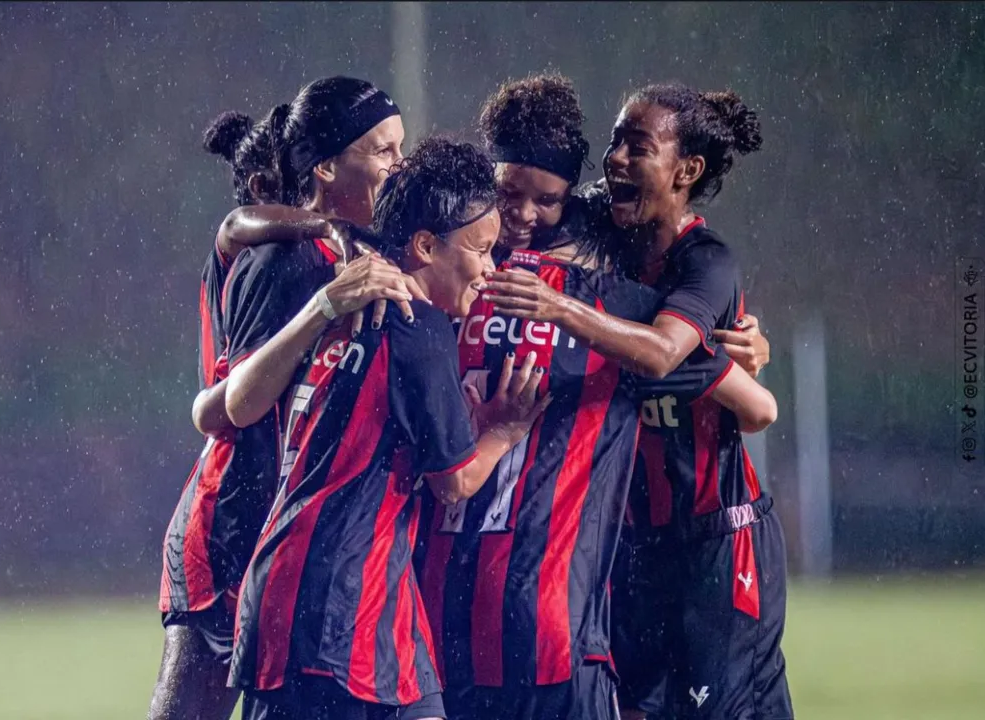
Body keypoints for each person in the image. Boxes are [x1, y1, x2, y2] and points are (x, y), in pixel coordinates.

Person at [417, 76, 777, 720]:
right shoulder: (581, 230)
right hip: (625, 543)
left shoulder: (691, 268)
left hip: (711, 537)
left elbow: (750, 404)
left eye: (637, 147)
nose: (524, 214)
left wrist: (745, 351)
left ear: (685, 170)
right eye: (615, 143)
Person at [228, 137, 547, 720]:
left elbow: (259, 407)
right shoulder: (417, 325)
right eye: (480, 250)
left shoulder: (349, 297)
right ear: (426, 246)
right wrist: (505, 428)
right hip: (341, 602)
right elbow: (453, 482)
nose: (491, 269)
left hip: (297, 589)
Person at [151, 79, 419, 720]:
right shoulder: (284, 259)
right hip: (233, 523)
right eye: (383, 151)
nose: (397, 166)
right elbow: (226, 408)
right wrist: (325, 305)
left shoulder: (357, 255)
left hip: (292, 541)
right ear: (324, 168)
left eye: (400, 149)